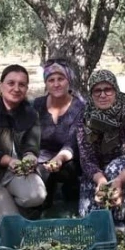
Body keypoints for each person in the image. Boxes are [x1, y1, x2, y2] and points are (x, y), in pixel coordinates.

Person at [77, 69, 125, 232]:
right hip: (97, 172)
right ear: (91, 93)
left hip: (124, 170)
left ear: (115, 89)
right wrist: (100, 180)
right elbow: (86, 158)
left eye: (107, 89)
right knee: (87, 217)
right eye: (97, 90)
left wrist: (120, 181)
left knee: (118, 214)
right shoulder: (85, 115)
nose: (103, 95)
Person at [0, 64, 46, 222]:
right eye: (11, 83)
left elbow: (32, 144)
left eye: (22, 84)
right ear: (0, 86)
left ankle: (11, 201)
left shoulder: (30, 113)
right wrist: (10, 161)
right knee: (10, 223)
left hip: (17, 172)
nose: (16, 88)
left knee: (37, 195)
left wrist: (30, 156)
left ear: (27, 88)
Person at [32, 59, 85, 209]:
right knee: (41, 203)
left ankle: (70, 186)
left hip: (70, 158)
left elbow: (73, 141)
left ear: (68, 81)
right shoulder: (37, 105)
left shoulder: (80, 107)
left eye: (60, 79)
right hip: (42, 157)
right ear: (46, 84)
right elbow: (31, 137)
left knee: (71, 193)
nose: (56, 84)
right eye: (51, 80)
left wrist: (58, 159)